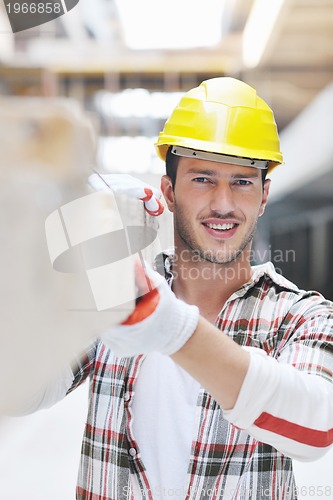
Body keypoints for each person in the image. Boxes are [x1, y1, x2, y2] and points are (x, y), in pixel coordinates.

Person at [34, 78, 333, 499]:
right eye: (203, 179)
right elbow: (24, 390)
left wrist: (167, 326)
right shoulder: (116, 299)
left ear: (264, 196)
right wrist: (32, 244)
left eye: (243, 181)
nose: (224, 203)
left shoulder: (301, 316)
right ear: (169, 192)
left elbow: (315, 429)